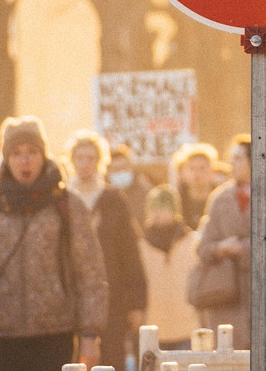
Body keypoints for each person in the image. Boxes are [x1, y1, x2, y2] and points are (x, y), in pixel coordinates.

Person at [0, 116, 108, 371]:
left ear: (44, 156)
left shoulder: (67, 206)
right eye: (17, 153)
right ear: (6, 160)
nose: (25, 160)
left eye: (32, 152)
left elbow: (90, 274)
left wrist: (90, 334)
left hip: (55, 335)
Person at [195, 135, 266, 349]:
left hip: (264, 291)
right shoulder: (219, 199)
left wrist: (242, 248)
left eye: (238, 158)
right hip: (226, 293)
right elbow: (203, 247)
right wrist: (220, 248)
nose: (232, 164)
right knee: (230, 356)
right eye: (232, 158)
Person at [66, 132, 148, 370]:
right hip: (70, 295)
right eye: (80, 157)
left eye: (91, 158)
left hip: (111, 296)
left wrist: (136, 303)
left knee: (111, 359)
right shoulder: (61, 199)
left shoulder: (112, 199)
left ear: (99, 162)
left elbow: (129, 254)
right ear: (71, 160)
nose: (85, 163)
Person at [137, 185, 200, 350]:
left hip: (188, 326)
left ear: (174, 210)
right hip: (153, 329)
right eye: (152, 209)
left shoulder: (192, 242)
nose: (156, 213)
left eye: (162, 208)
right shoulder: (141, 246)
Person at [107, 143, 154, 232]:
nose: (121, 172)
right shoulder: (104, 197)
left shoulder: (147, 194)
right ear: (108, 172)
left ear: (131, 168)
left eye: (124, 168)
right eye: (116, 169)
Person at [174, 142, 220, 230]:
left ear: (212, 172)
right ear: (183, 172)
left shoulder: (222, 197)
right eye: (191, 168)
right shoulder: (176, 199)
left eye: (202, 168)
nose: (196, 174)